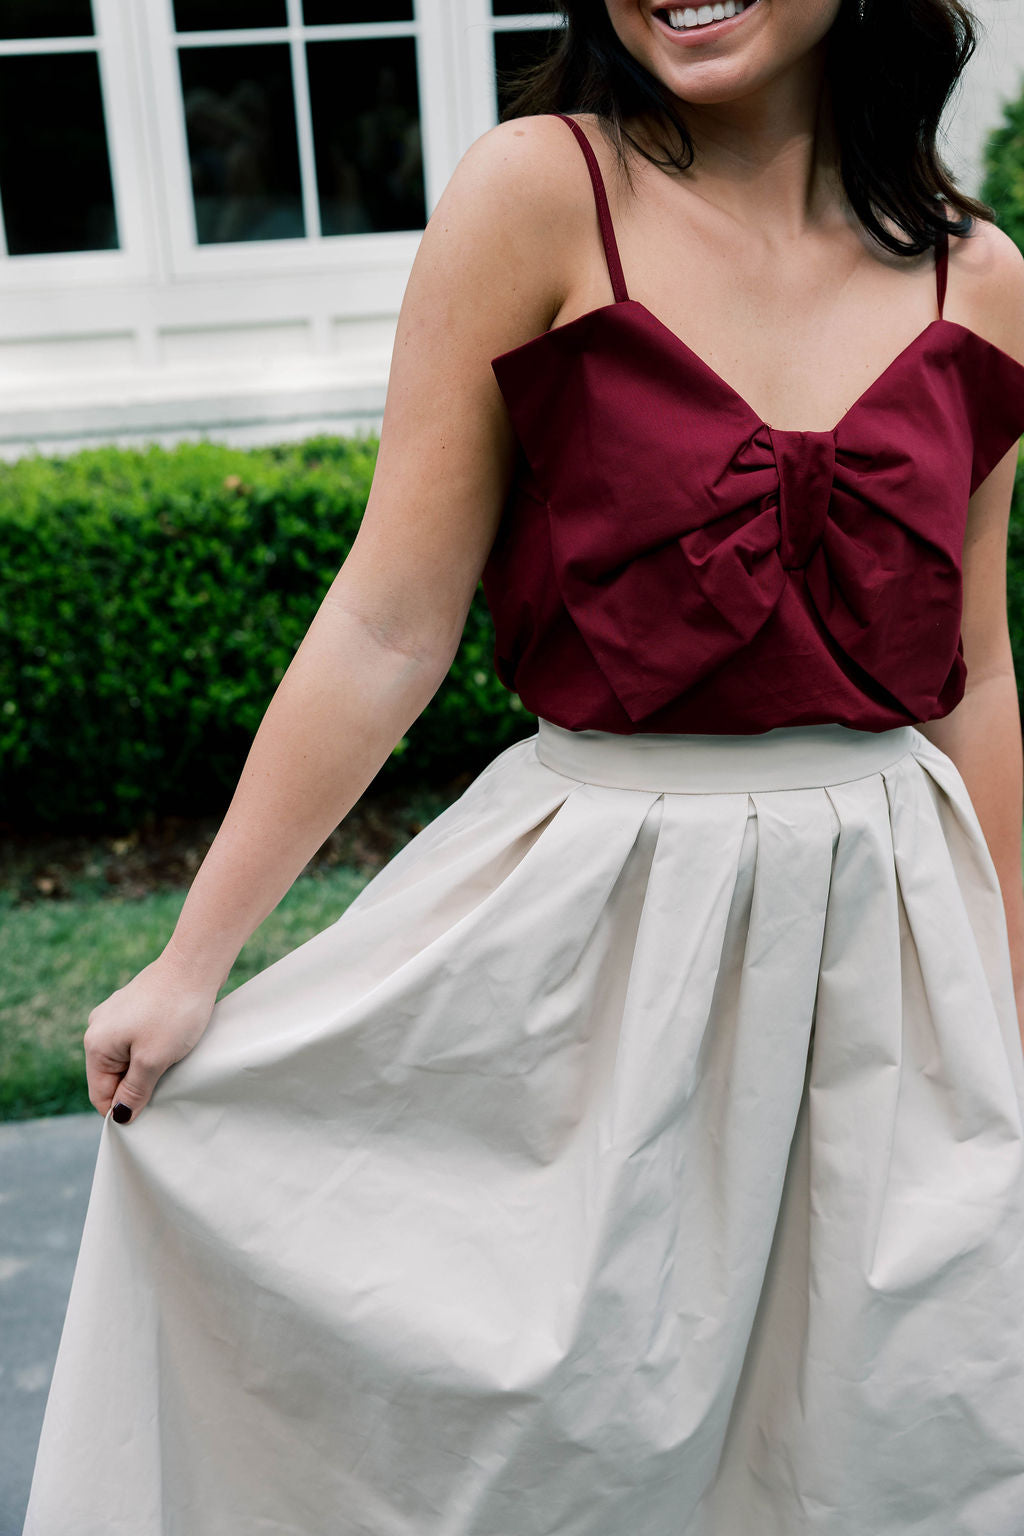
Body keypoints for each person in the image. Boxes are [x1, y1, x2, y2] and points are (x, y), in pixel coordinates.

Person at [23, 1, 1024, 1532]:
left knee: (885, 1438)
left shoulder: (986, 274)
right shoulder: (536, 191)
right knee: (571, 1449)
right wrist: (190, 958)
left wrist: (1014, 997)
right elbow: (384, 622)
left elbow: (977, 673)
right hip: (597, 939)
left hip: (890, 953)